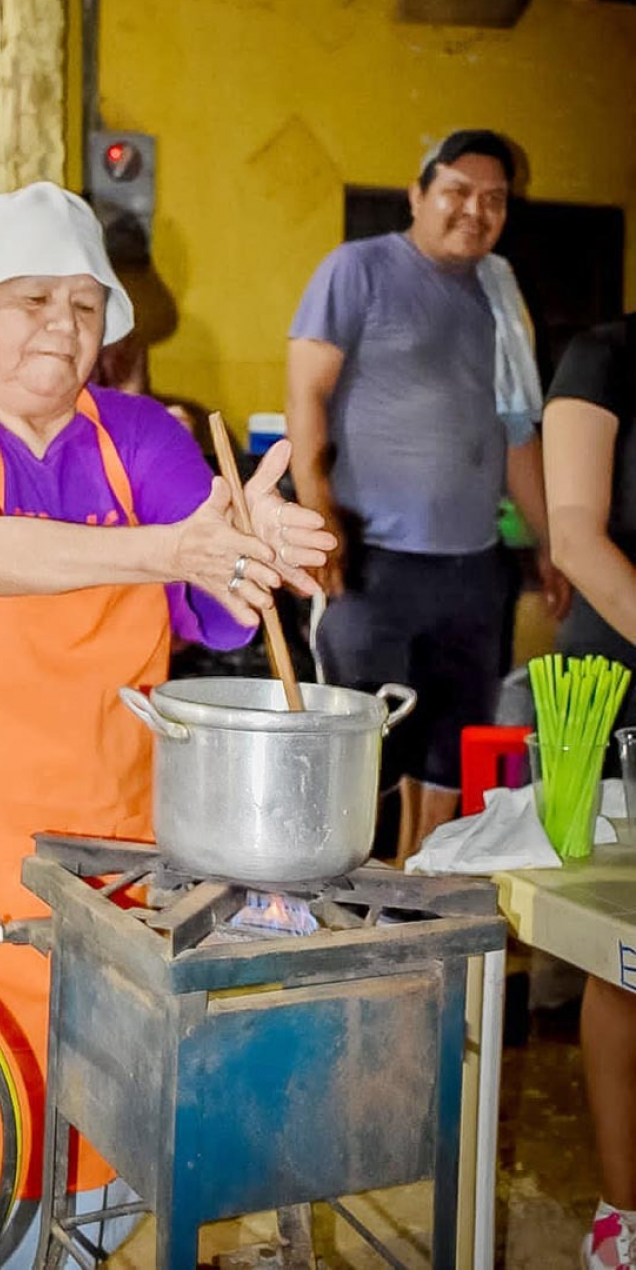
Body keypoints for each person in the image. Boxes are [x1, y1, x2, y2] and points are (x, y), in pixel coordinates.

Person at [0, 181, 335, 1270]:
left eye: (82, 304)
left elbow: (212, 582)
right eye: (30, 299)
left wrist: (252, 542)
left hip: (110, 841)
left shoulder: (144, 434)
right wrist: (168, 547)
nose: (61, 328)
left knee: (112, 1112)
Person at [286, 129, 569, 864]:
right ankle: (332, 907)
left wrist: (551, 542)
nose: (476, 209)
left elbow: (516, 433)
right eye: (457, 191)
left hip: (473, 570)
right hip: (372, 561)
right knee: (359, 752)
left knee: (449, 751)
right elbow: (306, 393)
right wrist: (319, 515)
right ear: (418, 195)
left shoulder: (499, 297)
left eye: (495, 199)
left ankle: (412, 913)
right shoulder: (359, 270)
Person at [543, 315, 636, 1269]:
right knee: (630, 959)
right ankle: (625, 1211)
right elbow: (574, 537)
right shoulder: (606, 356)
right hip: (615, 693)